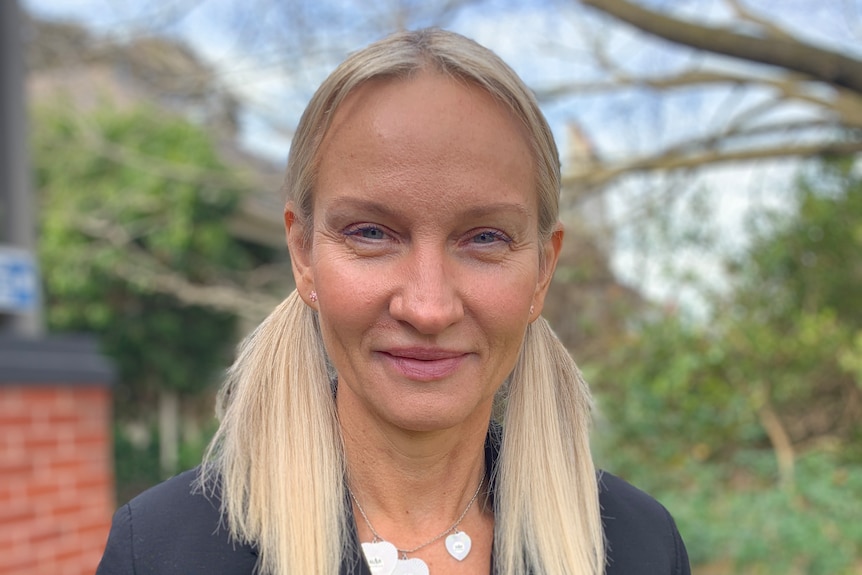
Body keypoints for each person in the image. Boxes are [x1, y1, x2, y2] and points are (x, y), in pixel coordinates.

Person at [96, 28, 690, 575]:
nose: (428, 308)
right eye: (371, 233)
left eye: (485, 238)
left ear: (542, 269)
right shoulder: (160, 552)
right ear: (303, 254)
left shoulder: (641, 547)